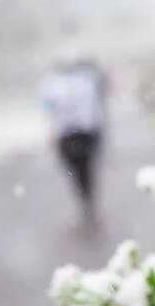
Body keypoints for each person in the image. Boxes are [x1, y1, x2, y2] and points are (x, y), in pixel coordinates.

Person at [41, 59, 107, 219]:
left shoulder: (51, 84)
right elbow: (99, 100)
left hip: (66, 134)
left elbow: (48, 110)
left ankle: (84, 197)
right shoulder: (87, 79)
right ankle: (87, 196)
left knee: (75, 169)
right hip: (85, 130)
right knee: (86, 167)